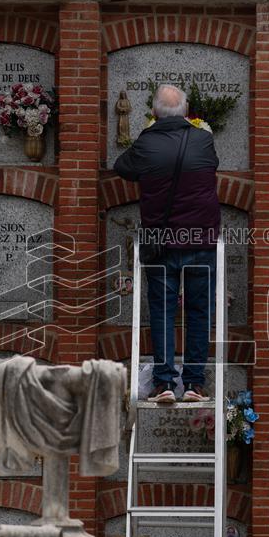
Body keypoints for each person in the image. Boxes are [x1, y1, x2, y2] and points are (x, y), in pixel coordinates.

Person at [114, 84, 220, 403]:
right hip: (199, 240)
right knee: (199, 312)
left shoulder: (147, 142)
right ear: (186, 111)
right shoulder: (203, 139)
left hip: (160, 242)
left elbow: (122, 168)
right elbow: (210, 167)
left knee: (161, 311)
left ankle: (163, 384)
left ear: (155, 112)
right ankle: (193, 385)